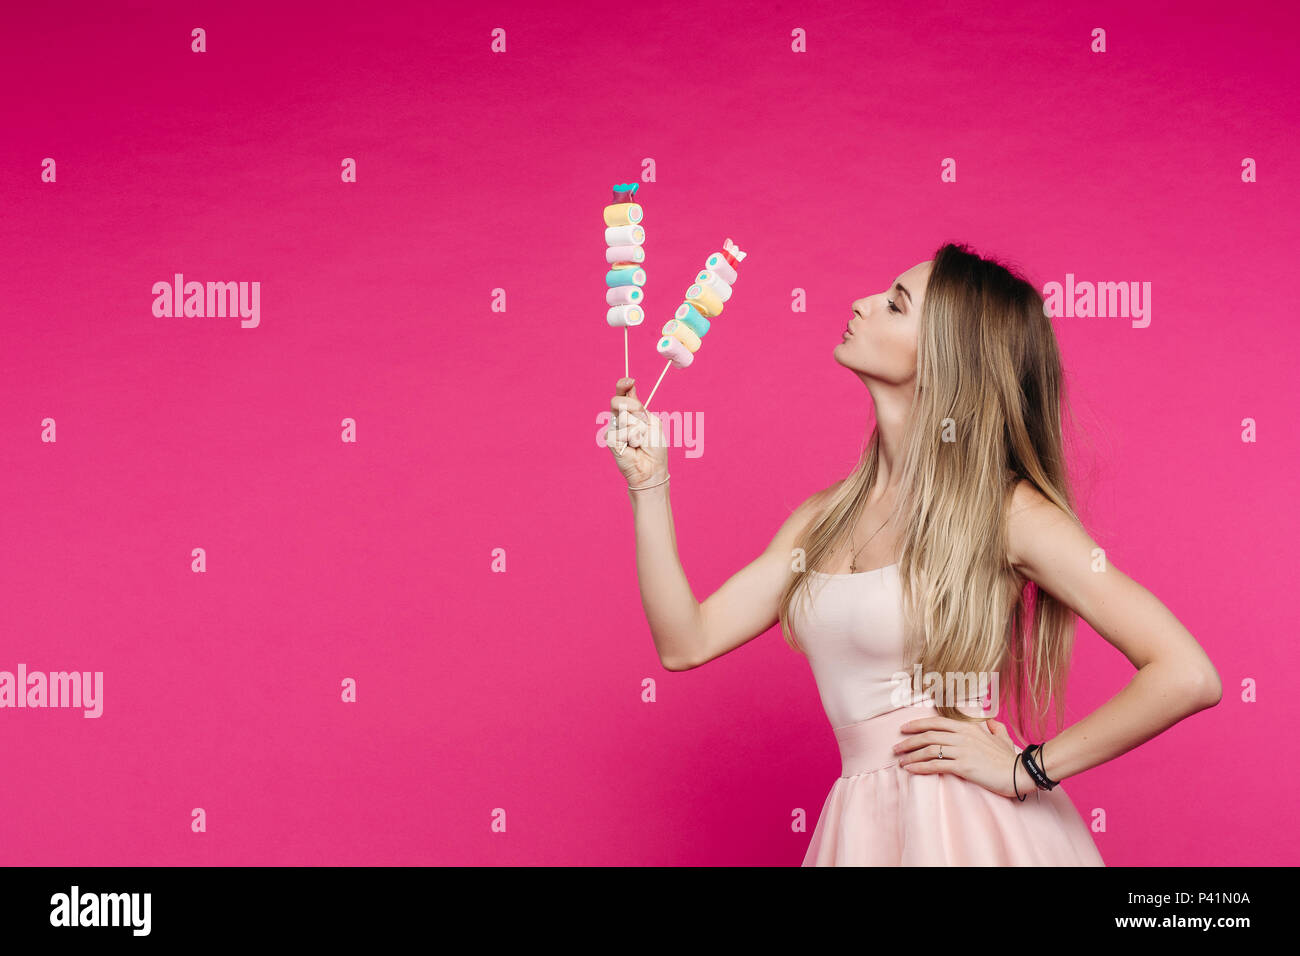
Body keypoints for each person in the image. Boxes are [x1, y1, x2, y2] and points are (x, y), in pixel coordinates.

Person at [604, 241, 1221, 866]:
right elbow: (685, 643)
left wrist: (1029, 768)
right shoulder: (823, 518)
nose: (861, 303)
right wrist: (649, 484)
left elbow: (1187, 674)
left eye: (895, 305)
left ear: (944, 361)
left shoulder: (1006, 515)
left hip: (970, 828)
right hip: (861, 826)